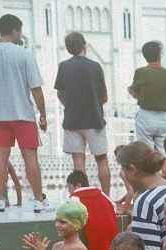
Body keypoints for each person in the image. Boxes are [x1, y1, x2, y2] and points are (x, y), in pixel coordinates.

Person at [0, 14, 49, 213]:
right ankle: (38, 199)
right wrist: (43, 114)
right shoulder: (23, 54)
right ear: (14, 30)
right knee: (30, 157)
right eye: (20, 31)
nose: (20, 35)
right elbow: (36, 88)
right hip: (23, 113)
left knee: (0, 157)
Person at [54, 31, 111, 197]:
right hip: (94, 119)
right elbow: (104, 96)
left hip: (72, 120)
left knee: (78, 162)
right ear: (84, 46)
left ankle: (81, 198)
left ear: (68, 48)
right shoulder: (95, 66)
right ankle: (106, 197)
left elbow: (60, 93)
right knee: (101, 160)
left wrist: (70, 105)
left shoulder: (63, 66)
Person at [67, 170, 119, 250]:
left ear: (77, 185)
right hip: (111, 231)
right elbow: (114, 207)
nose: (69, 191)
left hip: (95, 235)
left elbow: (69, 214)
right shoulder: (102, 194)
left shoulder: (75, 197)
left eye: (69, 187)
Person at [129, 41, 166, 152]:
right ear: (159, 54)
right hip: (163, 117)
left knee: (147, 154)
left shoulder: (141, 72)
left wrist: (135, 93)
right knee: (164, 154)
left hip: (146, 116)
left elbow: (133, 91)